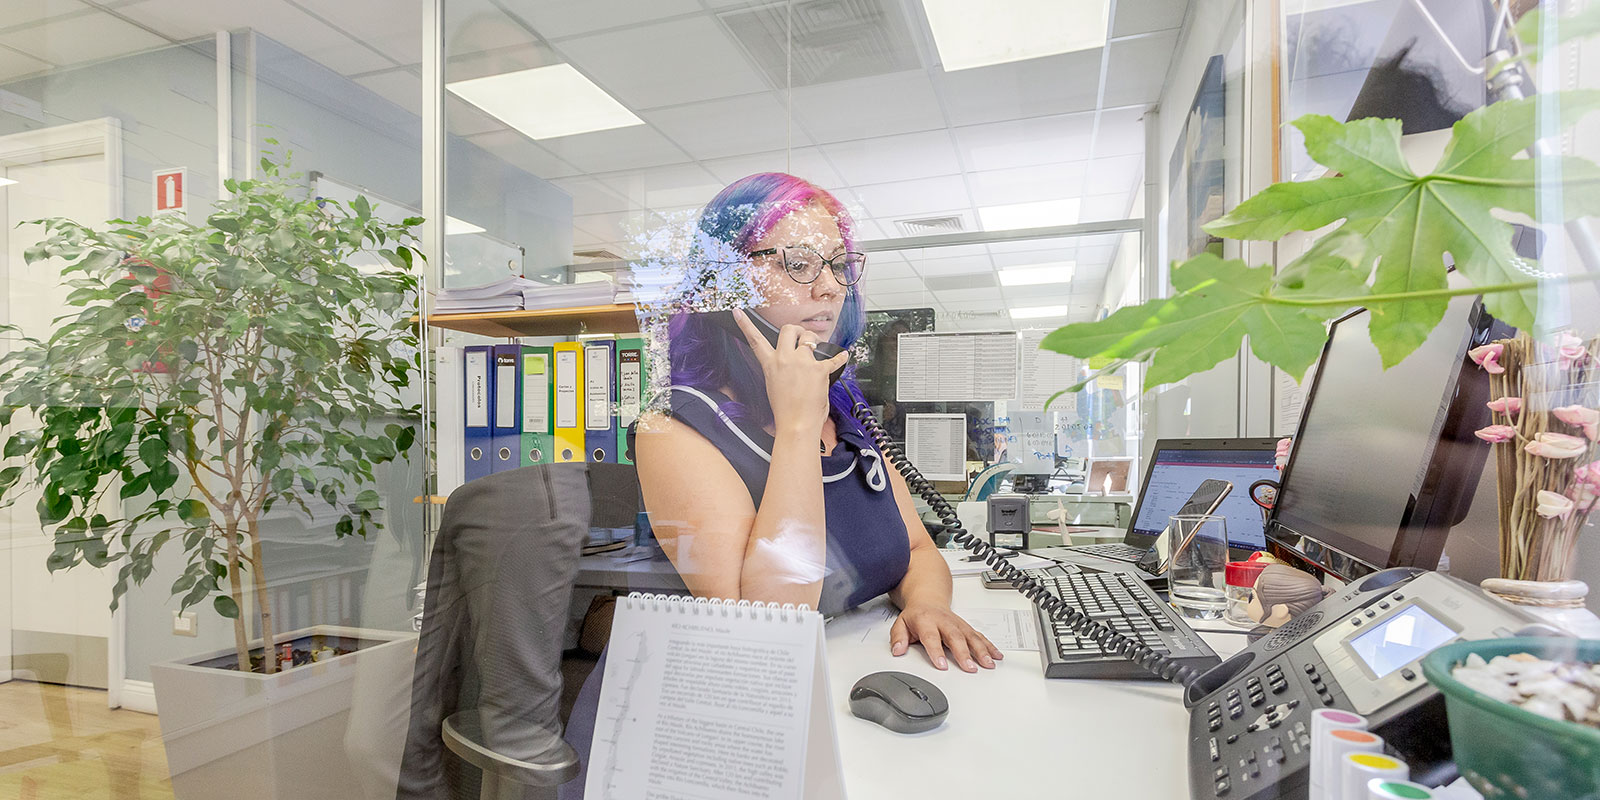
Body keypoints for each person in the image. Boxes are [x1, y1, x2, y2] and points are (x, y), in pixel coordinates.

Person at [559, 173, 1000, 798]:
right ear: (723, 283)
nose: (830, 286)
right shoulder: (674, 429)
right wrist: (795, 426)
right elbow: (766, 620)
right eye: (798, 263)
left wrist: (928, 604)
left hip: (836, 694)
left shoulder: (845, 414)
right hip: (708, 736)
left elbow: (917, 548)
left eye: (838, 264)